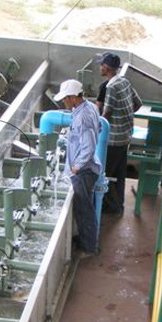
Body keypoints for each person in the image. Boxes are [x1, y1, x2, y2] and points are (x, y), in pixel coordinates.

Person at [54, 79, 102, 257]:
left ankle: (89, 248)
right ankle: (84, 240)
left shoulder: (83, 116)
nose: (63, 102)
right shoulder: (89, 108)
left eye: (65, 98)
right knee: (84, 206)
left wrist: (76, 167)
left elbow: (89, 146)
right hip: (85, 168)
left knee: (84, 209)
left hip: (84, 171)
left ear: (73, 97)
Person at [98, 52, 142, 215]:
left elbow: (106, 113)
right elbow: (138, 104)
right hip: (125, 136)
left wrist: (96, 128)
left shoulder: (111, 87)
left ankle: (111, 208)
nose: (99, 67)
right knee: (119, 174)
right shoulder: (124, 82)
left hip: (113, 140)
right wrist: (124, 118)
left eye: (101, 64)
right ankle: (120, 205)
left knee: (105, 174)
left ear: (107, 68)